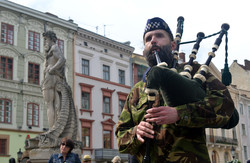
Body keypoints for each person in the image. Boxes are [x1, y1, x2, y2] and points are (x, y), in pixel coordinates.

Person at [115, 17, 235, 163]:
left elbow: (226, 106)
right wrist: (136, 132)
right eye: (148, 38)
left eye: (159, 35)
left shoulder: (194, 72)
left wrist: (180, 113)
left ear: (173, 45)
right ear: (144, 49)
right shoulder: (137, 91)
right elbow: (121, 139)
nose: (153, 40)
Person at [42, 31, 66, 129]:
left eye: (46, 39)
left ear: (51, 39)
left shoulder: (54, 47)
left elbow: (62, 59)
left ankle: (52, 129)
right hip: (52, 76)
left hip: (50, 76)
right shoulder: (51, 49)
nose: (45, 42)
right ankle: (54, 127)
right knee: (55, 104)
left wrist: (52, 68)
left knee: (49, 104)